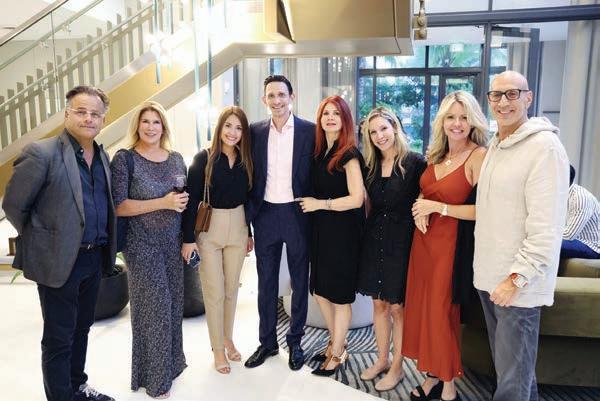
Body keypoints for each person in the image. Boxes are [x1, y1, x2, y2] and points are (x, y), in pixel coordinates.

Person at [3, 86, 116, 401]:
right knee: (59, 338)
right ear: (66, 114)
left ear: (103, 120)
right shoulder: (42, 153)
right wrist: (47, 239)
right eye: (81, 111)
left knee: (82, 329)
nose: (88, 118)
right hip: (60, 261)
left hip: (93, 259)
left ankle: (77, 387)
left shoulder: (102, 156)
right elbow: (14, 205)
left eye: (95, 114)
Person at [474, 70, 569, 401]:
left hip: (517, 285)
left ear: (528, 98)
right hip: (491, 279)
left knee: (512, 382)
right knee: (514, 372)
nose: (503, 102)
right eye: (496, 95)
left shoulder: (545, 147)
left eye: (512, 94)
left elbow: (546, 227)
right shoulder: (497, 144)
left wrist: (516, 278)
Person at [403, 90, 488, 401]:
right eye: (451, 117)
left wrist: (437, 208)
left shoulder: (479, 156)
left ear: (473, 121)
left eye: (464, 117)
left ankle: (449, 385)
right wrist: (420, 207)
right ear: (442, 121)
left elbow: (483, 211)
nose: (457, 123)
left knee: (441, 315)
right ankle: (432, 377)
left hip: (451, 248)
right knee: (424, 312)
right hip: (423, 244)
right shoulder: (436, 154)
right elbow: (427, 191)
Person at [110, 101, 188, 399]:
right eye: (146, 121)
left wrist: (181, 207)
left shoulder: (176, 159)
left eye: (157, 122)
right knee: (154, 310)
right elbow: (118, 206)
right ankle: (155, 380)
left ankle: (172, 365)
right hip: (141, 245)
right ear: (137, 126)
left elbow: (181, 199)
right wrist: (162, 203)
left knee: (174, 306)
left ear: (164, 127)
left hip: (172, 242)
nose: (151, 127)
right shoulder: (125, 159)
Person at [244, 75, 315, 371]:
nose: (276, 101)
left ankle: (295, 341)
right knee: (266, 283)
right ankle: (267, 342)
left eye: (281, 95)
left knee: (300, 282)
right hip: (265, 215)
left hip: (298, 214)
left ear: (291, 97)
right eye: (271, 96)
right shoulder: (254, 132)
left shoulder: (310, 131)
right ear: (264, 100)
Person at [356, 107, 426, 391]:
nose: (379, 136)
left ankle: (397, 367)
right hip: (374, 239)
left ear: (395, 127)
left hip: (403, 241)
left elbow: (425, 198)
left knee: (398, 307)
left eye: (383, 129)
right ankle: (382, 359)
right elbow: (367, 205)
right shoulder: (370, 165)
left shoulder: (415, 162)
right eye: (373, 132)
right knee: (378, 304)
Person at [181, 106, 254, 374]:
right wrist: (188, 239)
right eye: (228, 126)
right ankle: (218, 349)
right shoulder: (203, 159)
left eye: (238, 128)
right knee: (214, 292)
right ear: (219, 127)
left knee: (232, 289)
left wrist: (249, 233)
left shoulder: (246, 160)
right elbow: (191, 203)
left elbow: (249, 199)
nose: (232, 132)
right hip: (209, 228)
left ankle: (227, 338)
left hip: (239, 226)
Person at [298, 95, 365, 376]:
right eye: (326, 113)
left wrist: (319, 204)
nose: (330, 118)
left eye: (336, 113)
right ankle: (337, 342)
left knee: (339, 297)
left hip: (343, 235)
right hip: (321, 232)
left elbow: (357, 199)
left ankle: (337, 353)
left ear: (345, 119)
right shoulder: (319, 153)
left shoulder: (349, 154)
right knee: (321, 292)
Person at [560, 165, 600, 259]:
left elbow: (569, 235)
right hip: (574, 240)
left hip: (592, 246)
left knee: (547, 244)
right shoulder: (558, 195)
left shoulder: (580, 198)